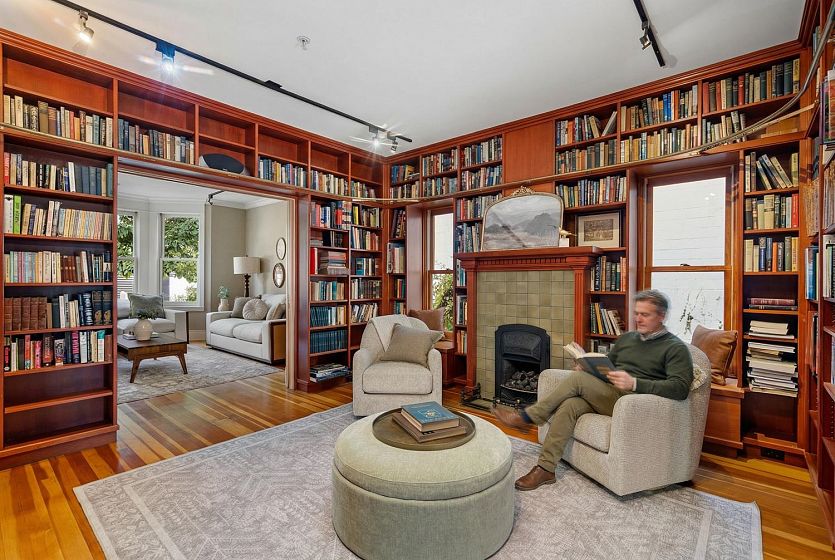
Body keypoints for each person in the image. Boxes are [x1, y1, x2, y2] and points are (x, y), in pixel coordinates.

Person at [492, 289, 693, 491]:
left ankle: (528, 417)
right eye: (636, 313)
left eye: (645, 314)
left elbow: (680, 388)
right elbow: (608, 367)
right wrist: (587, 365)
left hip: (632, 404)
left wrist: (634, 383)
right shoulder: (628, 339)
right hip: (608, 394)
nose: (638, 319)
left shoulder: (675, 348)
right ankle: (546, 468)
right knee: (570, 404)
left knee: (578, 380)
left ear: (661, 316)